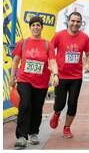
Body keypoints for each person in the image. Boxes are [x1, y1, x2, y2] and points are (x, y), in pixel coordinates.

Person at [9, 16, 59, 148]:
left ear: (42, 27)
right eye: (33, 25)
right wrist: (12, 77)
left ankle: (33, 133)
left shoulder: (47, 44)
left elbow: (53, 61)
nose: (36, 27)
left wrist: (55, 74)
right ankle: (21, 136)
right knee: (25, 105)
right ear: (30, 27)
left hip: (41, 82)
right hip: (24, 79)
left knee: (37, 108)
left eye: (38, 25)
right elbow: (15, 60)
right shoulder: (23, 43)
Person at [49, 11, 89, 139]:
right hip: (61, 76)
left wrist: (87, 64)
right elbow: (50, 51)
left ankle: (67, 128)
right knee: (60, 103)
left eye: (78, 22)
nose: (75, 24)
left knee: (72, 103)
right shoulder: (59, 35)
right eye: (73, 21)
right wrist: (52, 69)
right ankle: (56, 113)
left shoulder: (84, 37)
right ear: (68, 21)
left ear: (81, 23)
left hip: (76, 77)